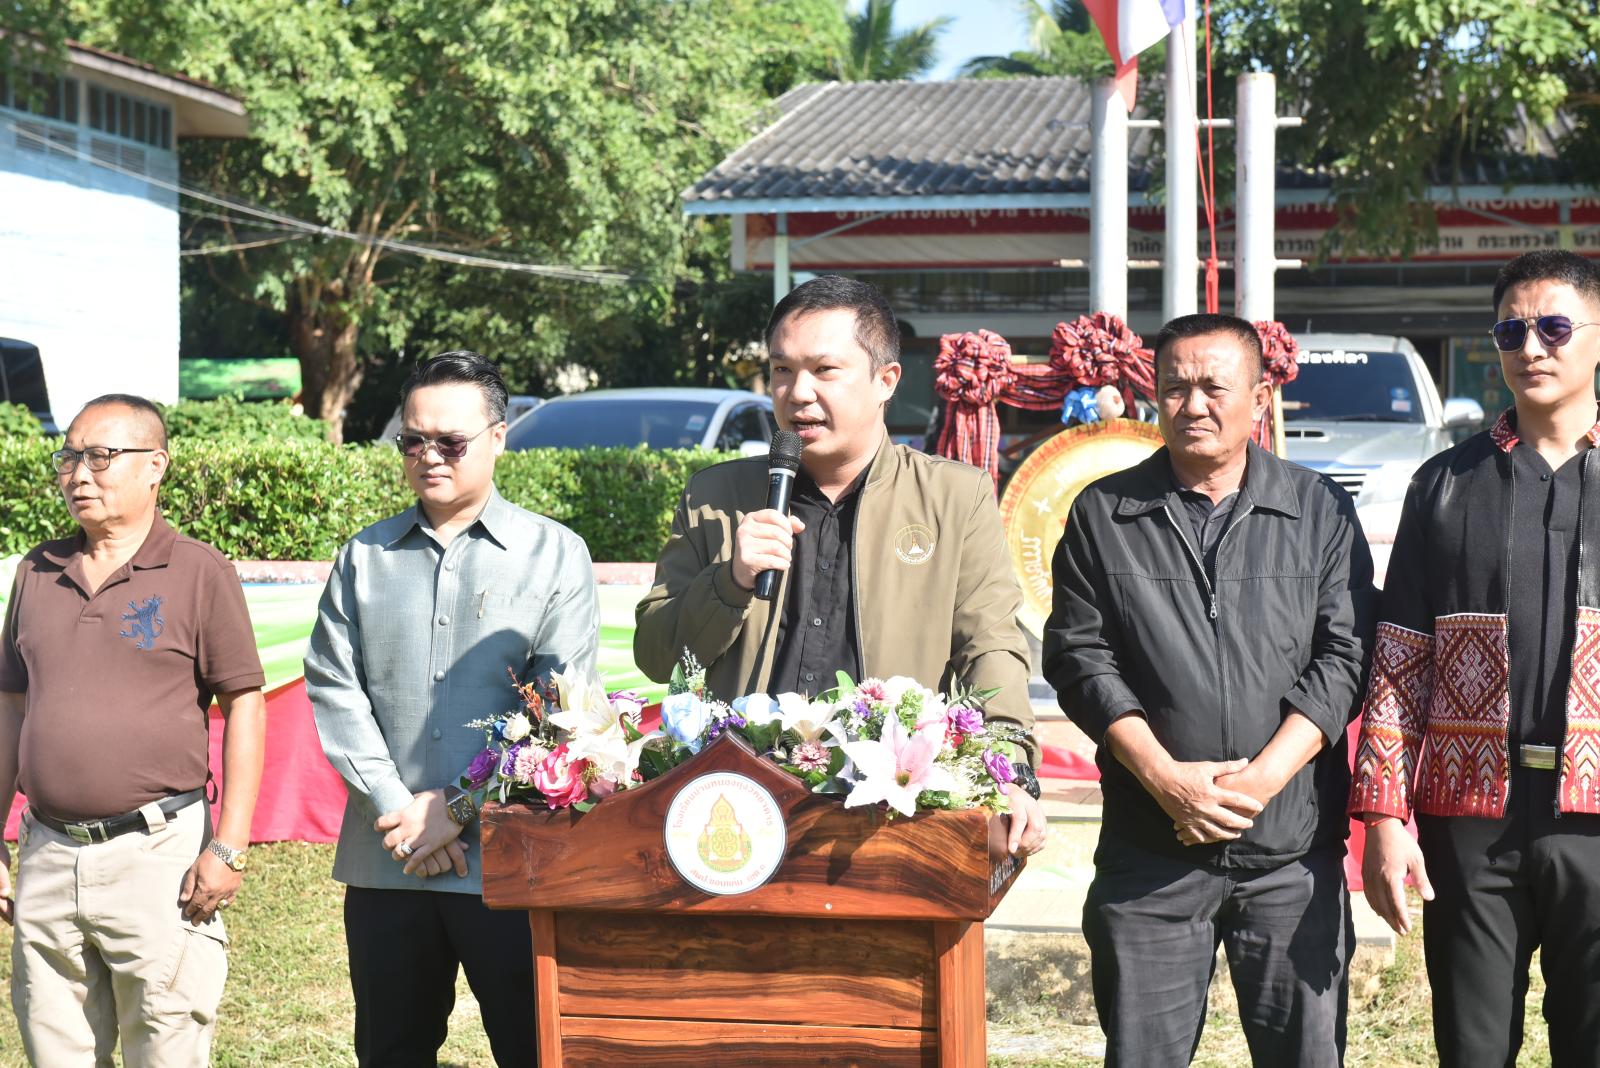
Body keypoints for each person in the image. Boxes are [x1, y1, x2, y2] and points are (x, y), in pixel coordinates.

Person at [1043, 313, 1373, 1066]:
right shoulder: (1105, 513)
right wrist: (1166, 780)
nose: (1193, 405)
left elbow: (1346, 654)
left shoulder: (1318, 508)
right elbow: (1079, 659)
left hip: (1291, 853)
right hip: (1152, 850)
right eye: (1174, 387)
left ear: (1259, 397)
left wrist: (1259, 783)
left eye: (1214, 387)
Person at [634, 274, 1048, 855]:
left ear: (886, 380)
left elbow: (991, 649)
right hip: (741, 806)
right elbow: (656, 655)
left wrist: (1009, 770)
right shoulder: (716, 496)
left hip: (890, 817)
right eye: (782, 370)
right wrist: (729, 582)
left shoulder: (955, 499)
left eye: (824, 370)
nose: (797, 393)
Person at [306, 351, 599, 1068]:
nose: (428, 456)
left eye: (450, 442)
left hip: (512, 857)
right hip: (389, 861)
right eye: (413, 440)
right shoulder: (364, 557)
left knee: (534, 1047)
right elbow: (335, 688)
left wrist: (459, 806)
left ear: (499, 438)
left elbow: (556, 706)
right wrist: (402, 813)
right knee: (390, 1050)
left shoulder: (555, 555)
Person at [1350, 249, 1600, 1066]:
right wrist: (1383, 819)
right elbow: (1399, 661)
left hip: (1597, 821)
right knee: (1471, 1047)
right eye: (1511, 331)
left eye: (1554, 327)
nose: (1532, 348)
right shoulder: (1445, 485)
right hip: (1471, 816)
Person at [0, 394, 267, 1065]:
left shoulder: (199, 571)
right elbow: (11, 709)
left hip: (159, 856)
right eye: (69, 457)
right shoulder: (36, 571)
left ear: (156, 466)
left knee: (165, 1044)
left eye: (101, 456)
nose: (78, 474)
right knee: (52, 1047)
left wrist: (230, 846)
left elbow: (245, 705)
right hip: (47, 852)